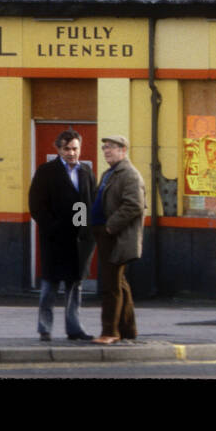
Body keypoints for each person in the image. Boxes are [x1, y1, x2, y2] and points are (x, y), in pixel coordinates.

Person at [28, 129, 96, 341]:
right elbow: (36, 205)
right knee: (50, 285)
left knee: (74, 287)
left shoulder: (86, 172)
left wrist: (85, 231)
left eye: (75, 148)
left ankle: (74, 328)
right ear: (58, 149)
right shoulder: (46, 171)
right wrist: (52, 227)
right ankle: (45, 328)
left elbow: (89, 203)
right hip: (55, 239)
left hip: (78, 241)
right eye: (66, 149)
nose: (71, 153)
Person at [90, 134, 145, 344]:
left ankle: (110, 332)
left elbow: (134, 205)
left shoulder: (129, 174)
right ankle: (128, 329)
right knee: (119, 283)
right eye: (104, 147)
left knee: (110, 285)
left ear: (124, 150)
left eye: (111, 147)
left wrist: (110, 227)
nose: (106, 151)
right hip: (105, 234)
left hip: (116, 237)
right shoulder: (110, 173)